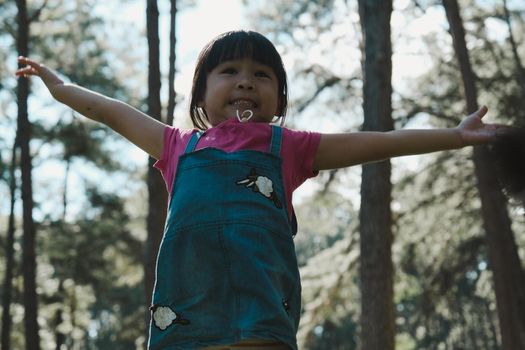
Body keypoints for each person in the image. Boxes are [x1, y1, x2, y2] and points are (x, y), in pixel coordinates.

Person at [16, 30, 505, 350]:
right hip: (185, 314)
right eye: (229, 71)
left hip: (261, 317)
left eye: (261, 75)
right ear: (201, 94)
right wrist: (61, 88)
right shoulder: (175, 146)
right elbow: (112, 111)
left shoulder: (291, 147)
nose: (246, 82)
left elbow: (380, 142)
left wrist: (455, 135)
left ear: (279, 99)